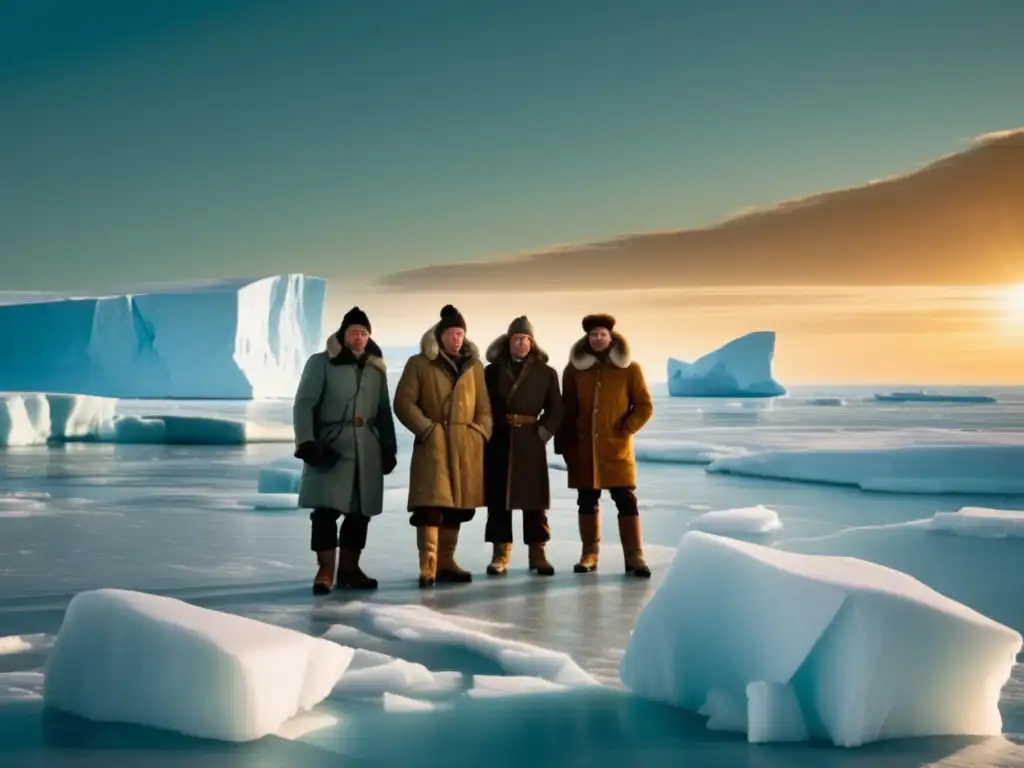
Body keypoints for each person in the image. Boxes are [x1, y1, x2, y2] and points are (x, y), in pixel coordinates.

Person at [293, 307, 398, 595]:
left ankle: (350, 568)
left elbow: (383, 411)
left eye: (364, 333)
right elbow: (304, 404)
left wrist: (388, 447)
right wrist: (306, 443)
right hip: (330, 445)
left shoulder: (377, 368)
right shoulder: (321, 363)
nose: (359, 338)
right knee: (325, 512)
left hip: (367, 448)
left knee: (360, 512)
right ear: (343, 334)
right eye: (354, 332)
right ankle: (325, 569)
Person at [393, 304, 492, 588]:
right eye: (451, 333)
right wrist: (426, 429)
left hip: (464, 445)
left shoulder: (474, 367)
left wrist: (480, 432)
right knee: (430, 507)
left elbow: (484, 407)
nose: (456, 338)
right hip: (433, 444)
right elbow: (403, 402)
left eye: (460, 333)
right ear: (439, 335)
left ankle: (447, 562)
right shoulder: (420, 363)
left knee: (457, 507)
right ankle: (429, 567)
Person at [554, 313, 654, 578]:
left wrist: (627, 427)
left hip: (617, 448)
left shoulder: (629, 369)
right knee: (587, 500)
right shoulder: (574, 370)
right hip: (584, 448)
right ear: (587, 338)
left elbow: (644, 406)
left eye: (602, 334)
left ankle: (635, 556)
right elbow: (567, 409)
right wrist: (564, 444)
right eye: (594, 334)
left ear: (611, 337)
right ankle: (589, 555)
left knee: (626, 500)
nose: (598, 338)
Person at [482, 316, 563, 576]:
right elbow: (482, 405)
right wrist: (487, 431)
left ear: (532, 341)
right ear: (509, 341)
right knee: (499, 501)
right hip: (499, 440)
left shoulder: (546, 373)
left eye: (525, 339)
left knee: (534, 501)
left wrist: (542, 433)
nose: (521, 343)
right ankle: (500, 554)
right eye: (517, 338)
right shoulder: (491, 371)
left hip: (531, 441)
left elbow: (556, 409)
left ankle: (537, 554)